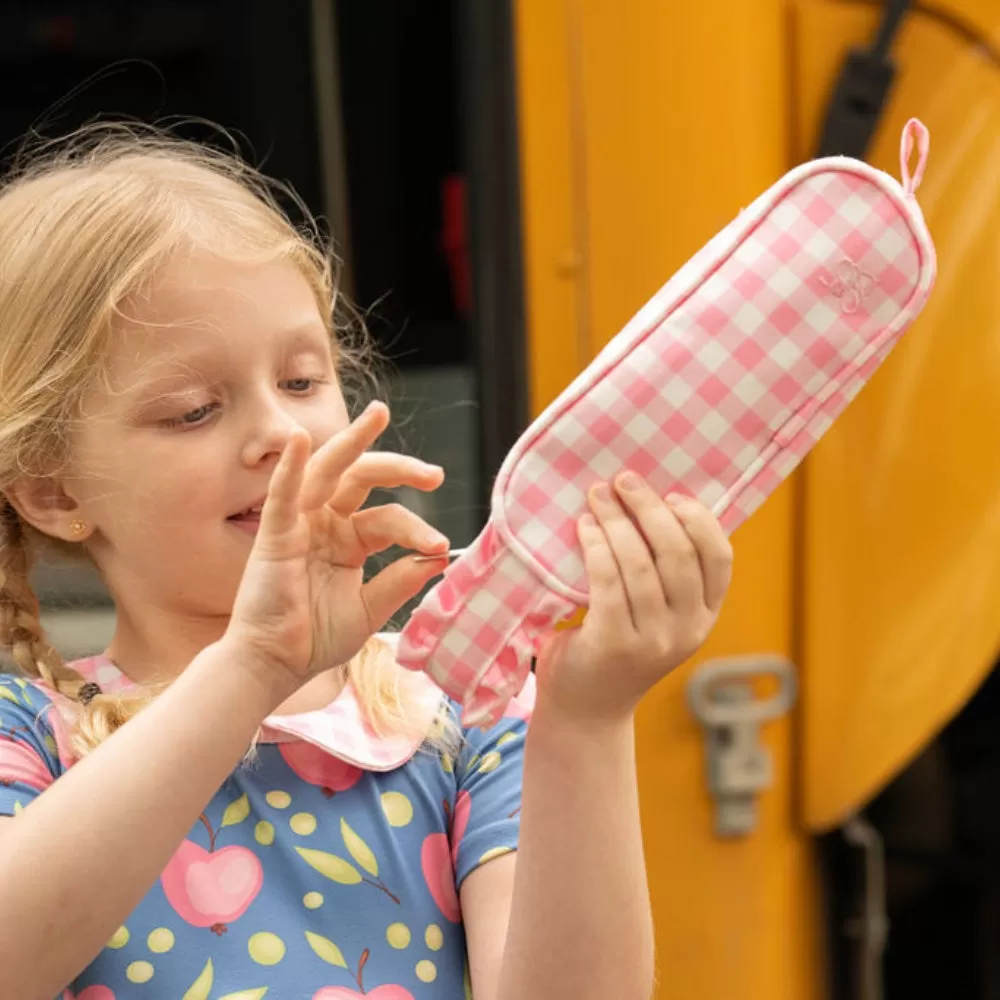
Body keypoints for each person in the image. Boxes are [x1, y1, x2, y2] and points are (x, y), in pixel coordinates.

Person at [0, 125, 734, 1000]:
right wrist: (255, 665)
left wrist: (589, 721)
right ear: (53, 493)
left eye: (304, 381)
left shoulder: (466, 709)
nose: (280, 429)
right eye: (194, 410)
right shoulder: (28, 736)